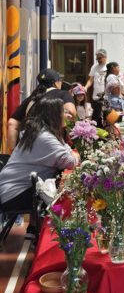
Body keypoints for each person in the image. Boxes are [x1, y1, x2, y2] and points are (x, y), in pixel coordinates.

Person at [0, 97, 79, 238]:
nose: (66, 115)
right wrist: (73, 153)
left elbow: (64, 150)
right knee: (64, 196)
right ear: (53, 115)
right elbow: (71, 161)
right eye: (63, 112)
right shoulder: (45, 138)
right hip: (14, 193)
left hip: (12, 188)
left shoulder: (40, 132)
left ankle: (35, 230)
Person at [7, 69, 76, 152]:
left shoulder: (31, 99)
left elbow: (12, 123)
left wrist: (13, 150)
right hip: (54, 147)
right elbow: (71, 112)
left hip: (29, 149)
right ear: (56, 83)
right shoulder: (63, 94)